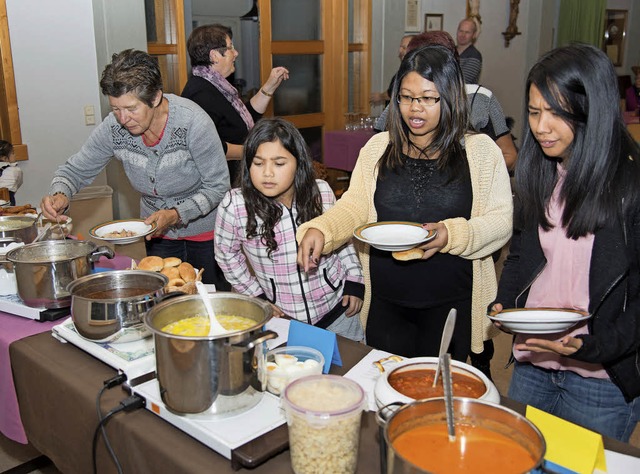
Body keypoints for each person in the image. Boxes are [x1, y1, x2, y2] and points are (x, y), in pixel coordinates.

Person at [297, 45, 512, 361]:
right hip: (387, 301)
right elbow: (355, 206)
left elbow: (501, 221)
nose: (415, 108)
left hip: (451, 303)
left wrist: (451, 235)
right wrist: (322, 229)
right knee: (388, 388)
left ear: (450, 96)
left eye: (428, 98)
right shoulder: (378, 147)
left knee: (435, 398)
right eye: (407, 97)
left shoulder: (480, 152)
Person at [490, 44, 640, 442]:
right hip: (533, 360)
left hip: (600, 378)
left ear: (592, 109)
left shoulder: (630, 185)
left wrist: (596, 345)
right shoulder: (540, 170)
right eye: (535, 112)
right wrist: (506, 301)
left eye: (556, 113)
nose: (541, 127)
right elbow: (522, 248)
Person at [40, 49, 230, 288]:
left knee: (208, 298)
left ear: (155, 97)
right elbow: (75, 169)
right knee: (164, 301)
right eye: (116, 109)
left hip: (206, 233)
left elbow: (218, 186)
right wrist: (60, 194)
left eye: (131, 109)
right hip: (156, 232)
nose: (123, 118)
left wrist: (175, 214)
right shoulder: (114, 128)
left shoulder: (193, 123)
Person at [214, 118, 365, 341]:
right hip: (284, 319)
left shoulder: (320, 192)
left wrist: (354, 279)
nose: (267, 173)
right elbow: (226, 254)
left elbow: (341, 238)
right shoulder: (235, 205)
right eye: (258, 163)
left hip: (337, 311)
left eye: (279, 163)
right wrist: (256, 295)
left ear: (299, 163)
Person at [375, 31, 517, 173]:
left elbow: (509, 156)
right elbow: (376, 155)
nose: (415, 107)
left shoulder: (480, 99)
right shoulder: (402, 102)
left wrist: (471, 177)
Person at [182, 24, 289, 186]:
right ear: (215, 56)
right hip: (220, 184)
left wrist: (270, 86)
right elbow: (212, 148)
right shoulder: (201, 93)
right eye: (231, 47)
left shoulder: (216, 85)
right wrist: (257, 151)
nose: (236, 53)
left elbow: (243, 117)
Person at [369, 34, 415, 107]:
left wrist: (380, 96)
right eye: (400, 47)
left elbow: (394, 93)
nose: (400, 51)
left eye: (404, 47)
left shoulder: (413, 71)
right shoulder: (403, 69)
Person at [456, 18, 482, 84]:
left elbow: (461, 82)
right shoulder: (449, 51)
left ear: (473, 35)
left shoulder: (474, 56)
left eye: (467, 32)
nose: (463, 35)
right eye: (461, 31)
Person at [0, 140, 23, 205]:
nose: (15, 155)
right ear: (4, 158)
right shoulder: (14, 170)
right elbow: (18, 182)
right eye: (12, 153)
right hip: (7, 198)